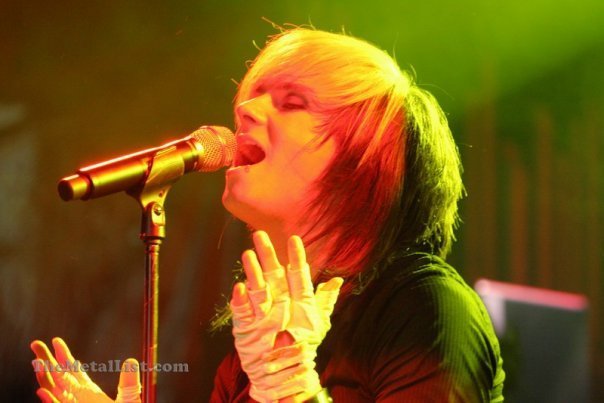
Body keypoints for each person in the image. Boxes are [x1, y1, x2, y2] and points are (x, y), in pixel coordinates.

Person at [31, 27, 505, 402]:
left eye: (293, 103)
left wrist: (294, 392)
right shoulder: (252, 342)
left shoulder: (426, 310)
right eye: (252, 96)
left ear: (363, 156)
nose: (245, 109)